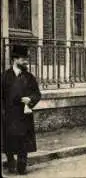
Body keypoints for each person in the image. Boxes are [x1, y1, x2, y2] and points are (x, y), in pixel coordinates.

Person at [1, 45, 41, 175]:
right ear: (15, 59)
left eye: (26, 59)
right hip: (9, 115)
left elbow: (37, 94)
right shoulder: (5, 76)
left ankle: (22, 165)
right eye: (23, 59)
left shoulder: (29, 77)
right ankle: (11, 162)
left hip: (24, 114)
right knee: (9, 140)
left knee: (24, 141)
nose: (26, 62)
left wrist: (30, 99)